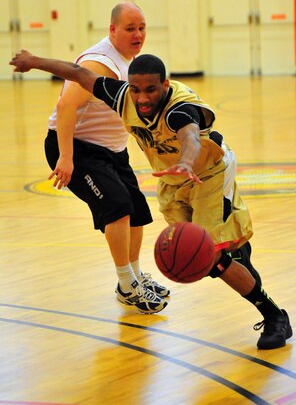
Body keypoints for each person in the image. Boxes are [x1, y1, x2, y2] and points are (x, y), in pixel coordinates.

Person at [9, 51, 293, 349]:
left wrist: (185, 161)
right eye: (135, 89)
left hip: (208, 173)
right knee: (214, 254)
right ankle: (237, 253)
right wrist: (34, 61)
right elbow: (78, 73)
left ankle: (275, 316)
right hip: (173, 178)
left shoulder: (179, 110)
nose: (142, 98)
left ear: (165, 85)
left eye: (150, 90)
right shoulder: (123, 96)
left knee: (209, 256)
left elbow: (191, 137)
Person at [32, 3, 170, 315]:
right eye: (130, 28)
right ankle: (125, 282)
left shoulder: (130, 61)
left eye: (141, 28)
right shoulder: (100, 63)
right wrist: (66, 157)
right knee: (118, 205)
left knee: (136, 209)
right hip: (76, 147)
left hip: (111, 149)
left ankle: (134, 277)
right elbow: (66, 107)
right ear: (112, 30)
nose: (138, 34)